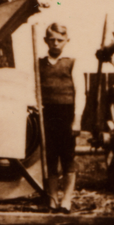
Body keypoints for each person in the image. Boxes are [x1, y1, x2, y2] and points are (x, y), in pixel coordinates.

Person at [39, 22, 86, 212]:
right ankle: (52, 198)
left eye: (60, 40)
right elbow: (33, 90)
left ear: (67, 41)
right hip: (46, 114)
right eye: (52, 40)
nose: (56, 43)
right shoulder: (39, 63)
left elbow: (80, 92)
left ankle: (66, 199)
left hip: (66, 114)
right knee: (49, 157)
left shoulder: (72, 62)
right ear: (46, 41)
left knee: (67, 157)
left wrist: (77, 119)